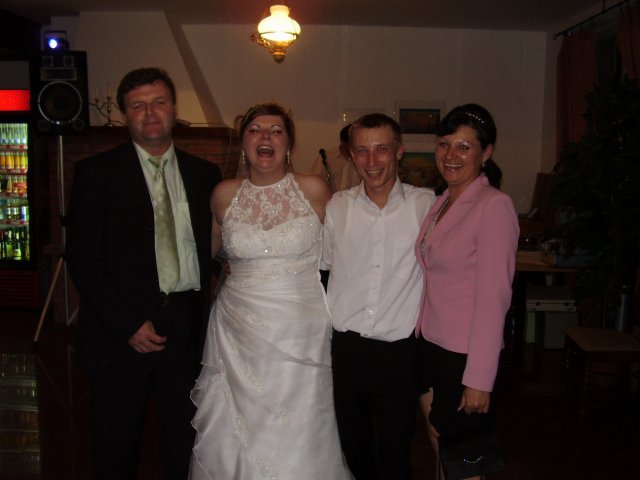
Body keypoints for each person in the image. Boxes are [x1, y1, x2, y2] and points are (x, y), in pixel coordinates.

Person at [66, 67, 221, 480]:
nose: (150, 113)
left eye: (158, 102)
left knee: (183, 439)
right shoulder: (96, 173)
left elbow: (212, 248)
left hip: (185, 327)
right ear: (124, 115)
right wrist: (127, 323)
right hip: (119, 331)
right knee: (116, 443)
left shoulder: (204, 175)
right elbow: (83, 260)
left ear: (174, 108)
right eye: (138, 106)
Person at [189, 102, 353, 480]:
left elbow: (342, 251)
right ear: (244, 142)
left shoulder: (315, 189)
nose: (266, 137)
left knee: (298, 424)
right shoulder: (223, 194)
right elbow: (204, 252)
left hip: (301, 329)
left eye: (276, 131)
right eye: (256, 130)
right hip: (237, 329)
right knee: (239, 425)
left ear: (288, 143)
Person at [321, 113, 436, 479]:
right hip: (346, 349)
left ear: (399, 151)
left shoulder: (426, 205)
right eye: (362, 151)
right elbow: (324, 269)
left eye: (381, 149)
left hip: (398, 352)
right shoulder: (337, 207)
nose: (372, 161)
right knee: (351, 449)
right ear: (351, 155)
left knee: (395, 454)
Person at [414, 104, 519, 479]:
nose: (450, 155)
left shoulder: (494, 206)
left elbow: (494, 300)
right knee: (439, 443)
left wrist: (479, 379)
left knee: (465, 460)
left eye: (464, 146)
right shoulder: (442, 201)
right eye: (444, 144)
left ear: (486, 152)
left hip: (464, 355)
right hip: (430, 345)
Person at [310, 123, 361, 192]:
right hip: (328, 198)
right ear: (342, 141)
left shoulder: (361, 159)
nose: (356, 147)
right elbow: (313, 182)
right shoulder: (326, 157)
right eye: (352, 144)